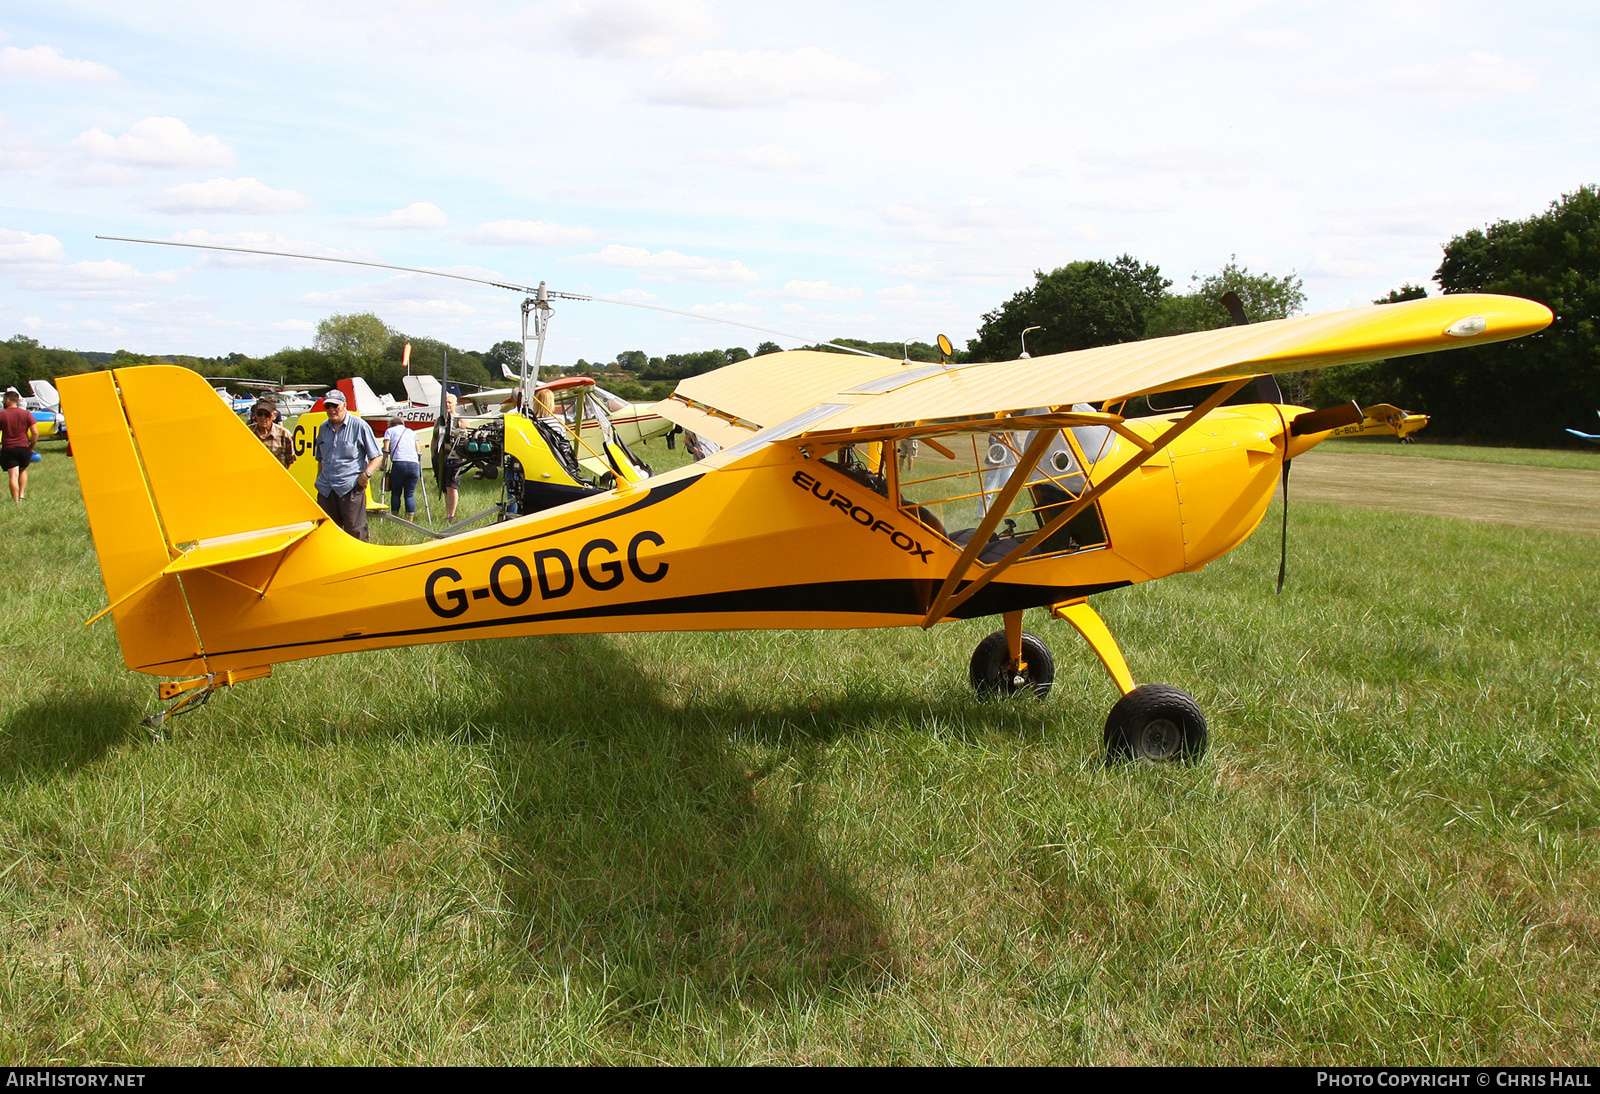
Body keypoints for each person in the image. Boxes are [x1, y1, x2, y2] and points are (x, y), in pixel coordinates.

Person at [313, 388, 382, 540]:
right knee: (327, 532)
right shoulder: (323, 428)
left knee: (355, 531)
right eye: (327, 406)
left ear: (344, 405)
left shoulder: (359, 425)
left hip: (350, 488)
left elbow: (377, 456)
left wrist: (366, 476)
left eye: (335, 405)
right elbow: (320, 458)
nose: (331, 410)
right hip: (326, 490)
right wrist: (319, 480)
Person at [1, 388, 38, 502]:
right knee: (23, 471)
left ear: (7, 400)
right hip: (23, 447)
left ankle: (15, 500)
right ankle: (21, 496)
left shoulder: (2, 415)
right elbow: (35, 433)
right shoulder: (26, 414)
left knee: (13, 475)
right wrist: (31, 447)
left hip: (8, 448)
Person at [383, 420, 422, 520]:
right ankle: (410, 519)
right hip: (414, 465)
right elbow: (419, 451)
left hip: (399, 463)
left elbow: (386, 449)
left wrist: (383, 464)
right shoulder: (412, 432)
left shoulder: (389, 431)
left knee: (396, 492)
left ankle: (395, 517)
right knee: (409, 494)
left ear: (391, 424)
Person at [438, 392, 464, 523]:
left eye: (450, 402)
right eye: (446, 402)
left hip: (456, 458)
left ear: (455, 404)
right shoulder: (440, 420)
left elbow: (468, 437)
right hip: (443, 457)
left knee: (452, 487)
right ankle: (448, 514)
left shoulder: (461, 419)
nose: (447, 405)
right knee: (446, 488)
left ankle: (452, 516)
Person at [249, 399, 294, 468]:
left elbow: (290, 460)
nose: (263, 417)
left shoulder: (284, 434)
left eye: (267, 415)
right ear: (255, 415)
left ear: (274, 416)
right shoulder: (247, 431)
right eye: (259, 414)